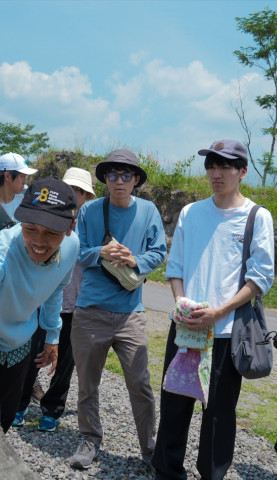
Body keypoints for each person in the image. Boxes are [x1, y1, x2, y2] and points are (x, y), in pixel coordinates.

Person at [152, 139, 275, 480]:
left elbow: (261, 277)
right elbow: (174, 267)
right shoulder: (191, 212)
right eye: (211, 166)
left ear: (243, 172)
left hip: (225, 332)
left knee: (218, 413)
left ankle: (212, 473)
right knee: (174, 404)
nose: (216, 173)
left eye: (225, 166)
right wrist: (180, 302)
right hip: (187, 328)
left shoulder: (256, 216)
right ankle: (166, 471)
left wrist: (220, 312)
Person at [0, 177, 79, 433]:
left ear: (70, 228)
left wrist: (52, 335)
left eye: (52, 233)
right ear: (20, 219)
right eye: (30, 228)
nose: (39, 242)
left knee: (5, 421)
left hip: (20, 344)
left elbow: (57, 287)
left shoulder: (72, 246)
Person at [69, 149, 166, 470]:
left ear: (136, 180)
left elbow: (159, 252)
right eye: (113, 175)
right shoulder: (90, 211)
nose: (119, 181)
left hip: (131, 314)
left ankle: (150, 448)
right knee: (87, 383)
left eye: (126, 175)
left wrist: (134, 259)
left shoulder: (149, 211)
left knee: (140, 384)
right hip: (90, 310)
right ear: (105, 180)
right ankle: (89, 439)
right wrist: (103, 252)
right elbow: (78, 252)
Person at [36, 167, 96, 432]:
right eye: (71, 188)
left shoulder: (92, 222)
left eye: (81, 191)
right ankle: (17, 402)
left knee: (65, 361)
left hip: (76, 301)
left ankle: (52, 409)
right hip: (42, 296)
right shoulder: (45, 214)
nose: (75, 194)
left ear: (86, 196)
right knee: (31, 352)